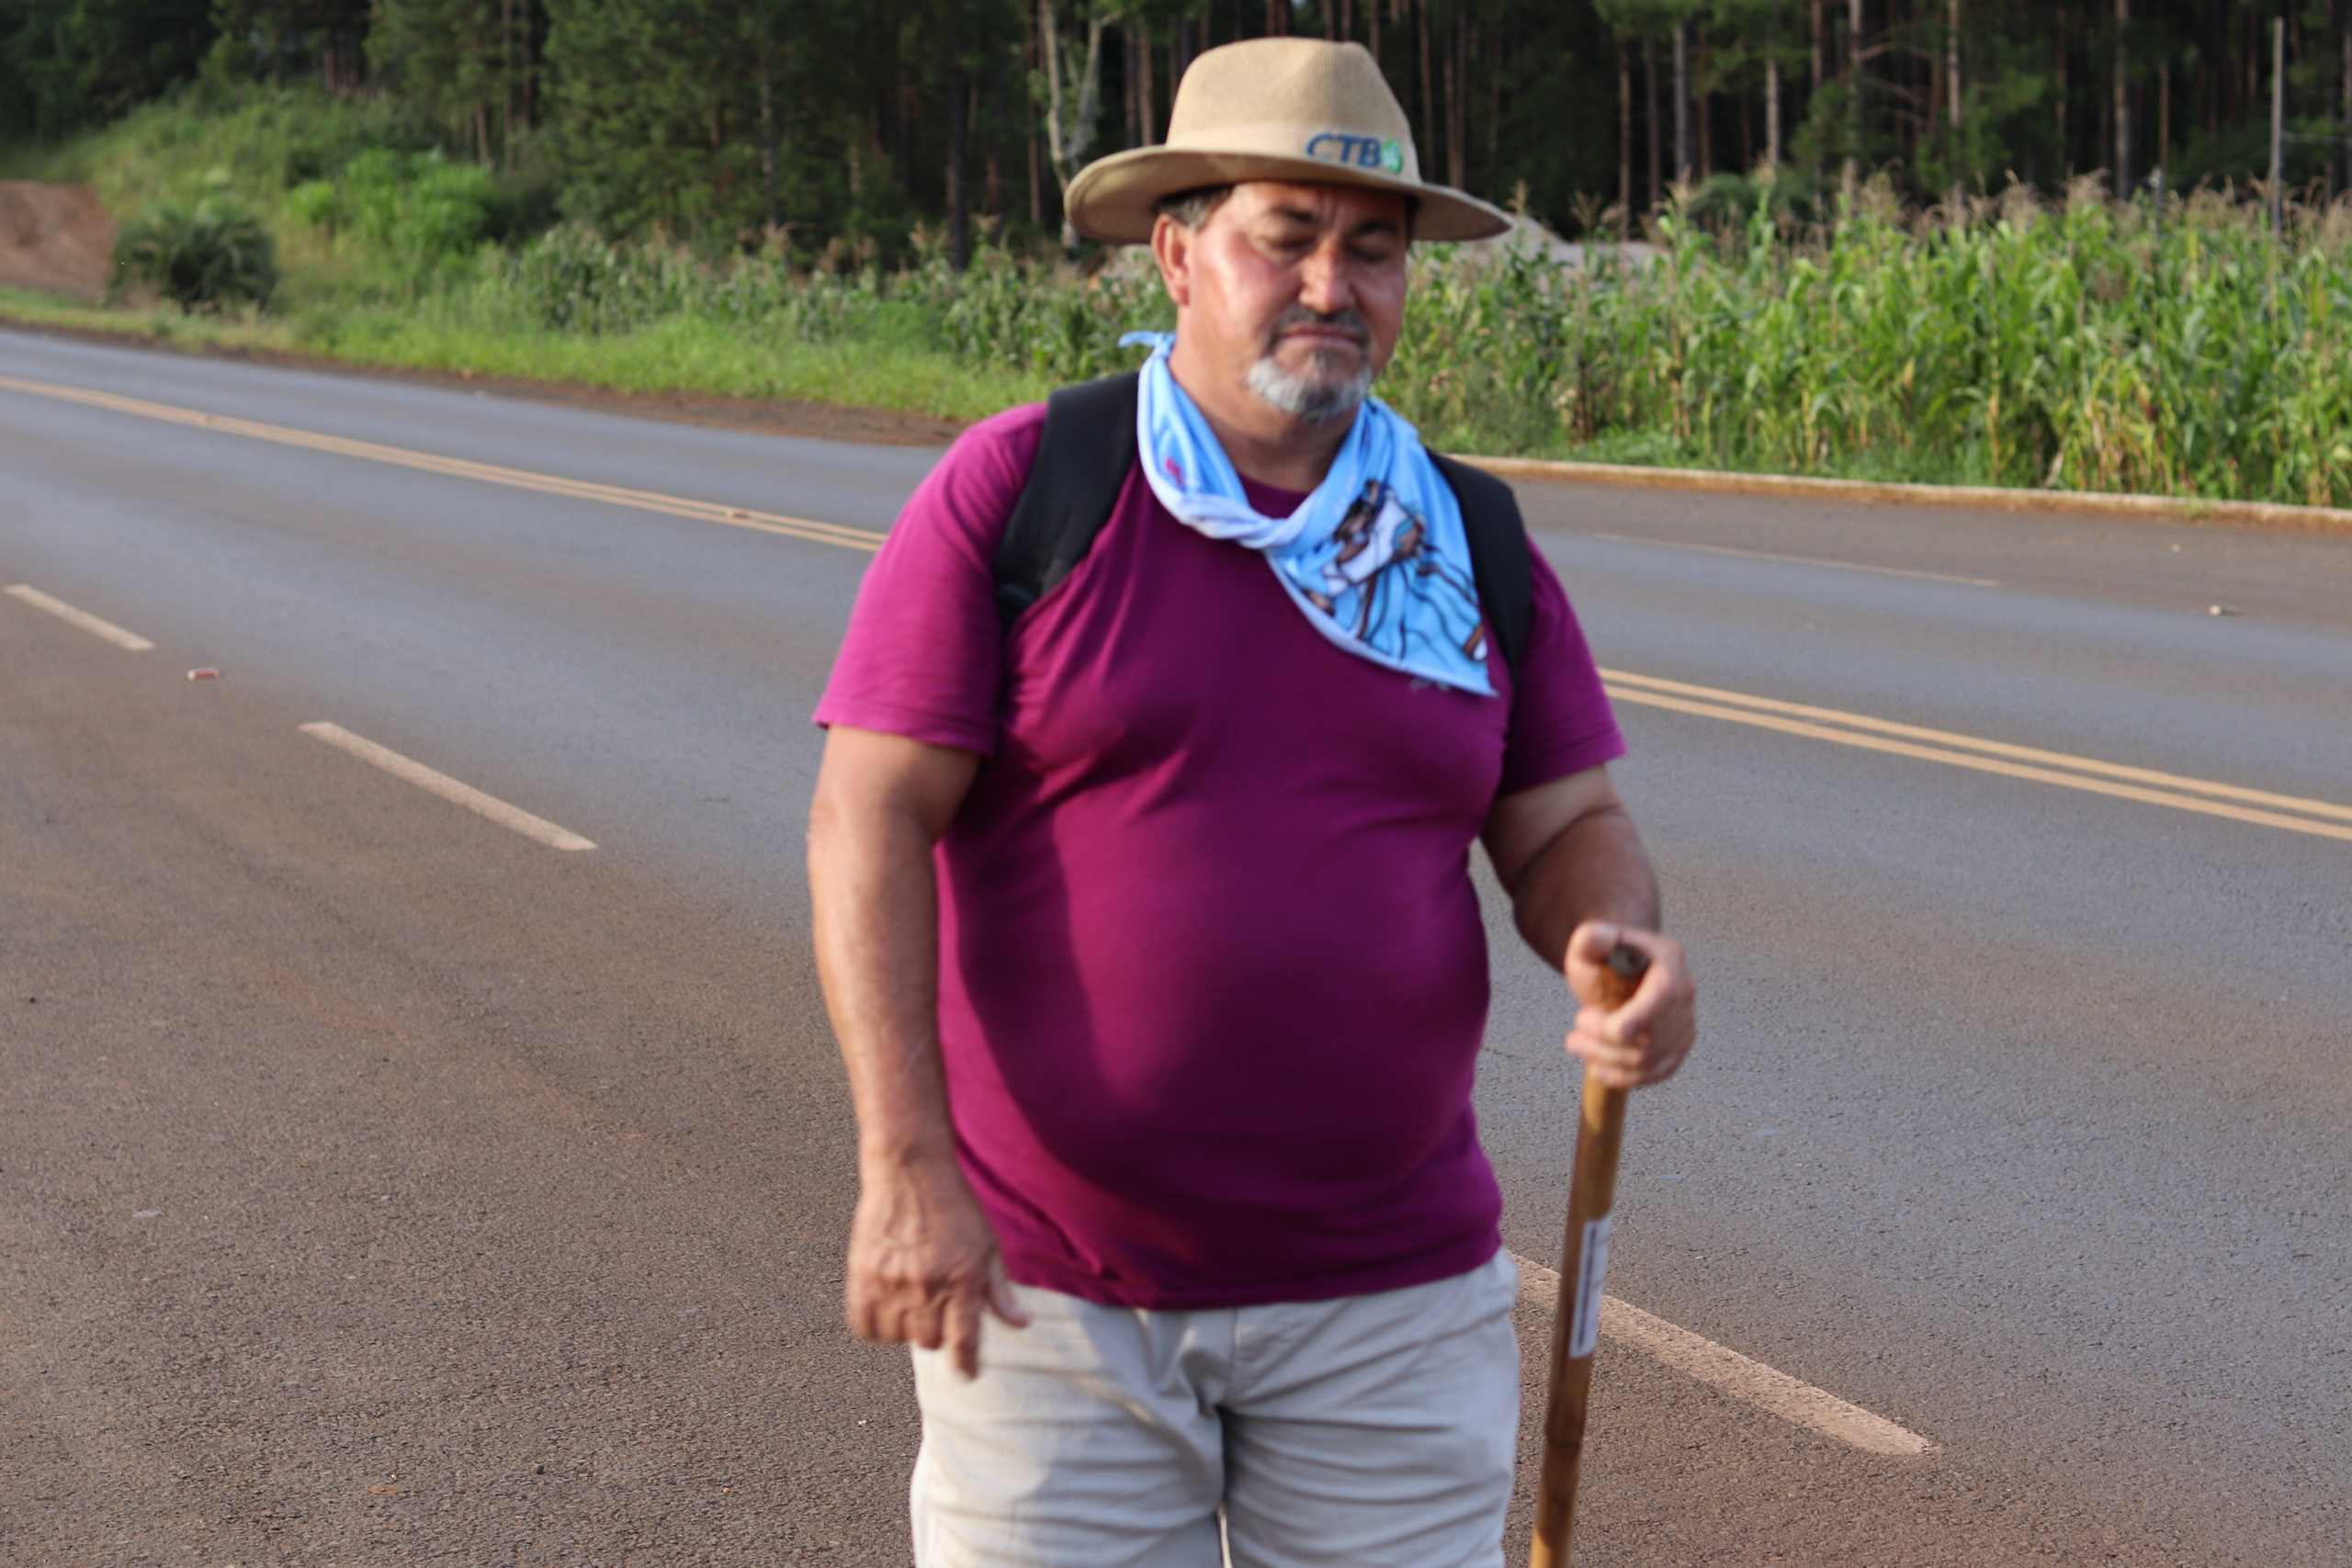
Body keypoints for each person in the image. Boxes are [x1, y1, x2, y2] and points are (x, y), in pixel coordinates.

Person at [807, 36, 1697, 1568]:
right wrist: (905, 1171)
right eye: (1285, 238)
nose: (1332, 286)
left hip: (1391, 1303)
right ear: (1179, 253)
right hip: (1055, 1298)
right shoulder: (1027, 492)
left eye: (1373, 249)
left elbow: (1560, 826)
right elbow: (866, 819)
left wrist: (1618, 940)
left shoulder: (1462, 538)